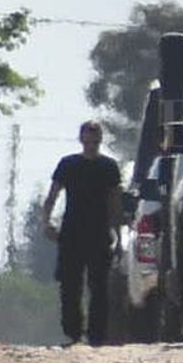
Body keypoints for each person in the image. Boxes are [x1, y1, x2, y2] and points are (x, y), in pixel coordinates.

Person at [42, 120, 123, 346]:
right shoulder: (68, 164)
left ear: (100, 141)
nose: (91, 145)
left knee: (99, 287)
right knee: (70, 286)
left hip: (99, 234)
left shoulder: (108, 167)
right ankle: (73, 332)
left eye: (95, 141)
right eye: (88, 140)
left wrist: (118, 236)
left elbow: (115, 202)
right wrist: (46, 222)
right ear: (81, 140)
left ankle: (96, 335)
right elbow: (52, 195)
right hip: (71, 233)